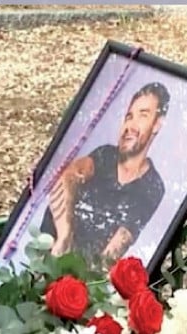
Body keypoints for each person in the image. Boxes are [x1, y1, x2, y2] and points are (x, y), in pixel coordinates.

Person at [40, 81, 170, 261]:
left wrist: (86, 281)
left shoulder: (152, 186)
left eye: (143, 116)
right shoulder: (105, 155)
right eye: (129, 116)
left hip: (81, 276)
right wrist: (65, 236)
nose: (130, 125)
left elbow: (115, 249)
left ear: (157, 124)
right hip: (46, 252)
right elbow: (68, 175)